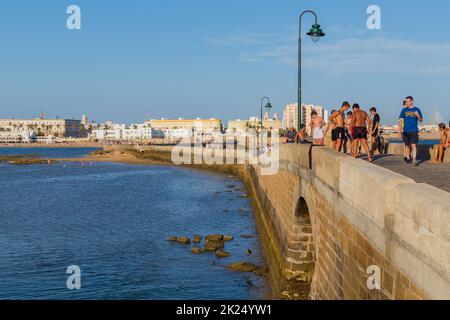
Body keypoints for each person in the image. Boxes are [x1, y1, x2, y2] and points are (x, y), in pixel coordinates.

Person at [398, 96, 424, 166]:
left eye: (408, 101)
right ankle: (408, 158)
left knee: (413, 145)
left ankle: (414, 159)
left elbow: (421, 120)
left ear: (411, 101)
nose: (406, 102)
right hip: (405, 131)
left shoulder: (417, 109)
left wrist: (418, 115)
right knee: (407, 145)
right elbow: (400, 120)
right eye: (406, 101)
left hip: (414, 130)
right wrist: (400, 130)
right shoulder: (404, 110)